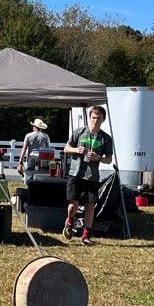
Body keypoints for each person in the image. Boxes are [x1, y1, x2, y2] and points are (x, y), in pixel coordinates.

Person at [63, 105, 114, 245]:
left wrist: (98, 158)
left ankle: (86, 236)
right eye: (93, 118)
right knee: (73, 205)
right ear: (89, 118)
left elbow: (109, 159)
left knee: (90, 205)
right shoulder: (79, 132)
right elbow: (66, 149)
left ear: (103, 120)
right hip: (76, 173)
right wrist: (77, 150)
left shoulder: (106, 138)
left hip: (92, 176)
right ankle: (70, 221)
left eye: (99, 118)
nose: (95, 121)